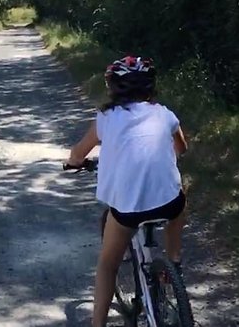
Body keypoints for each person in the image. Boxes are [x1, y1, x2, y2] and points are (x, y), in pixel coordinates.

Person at [65, 56, 188, 327]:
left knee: (107, 265)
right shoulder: (165, 114)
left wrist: (73, 163)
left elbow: (77, 153)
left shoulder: (107, 118)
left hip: (128, 211)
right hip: (168, 203)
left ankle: (98, 324)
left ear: (113, 87)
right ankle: (174, 259)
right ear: (150, 87)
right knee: (179, 201)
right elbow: (181, 149)